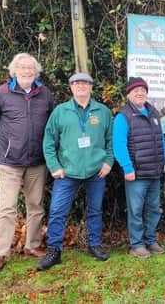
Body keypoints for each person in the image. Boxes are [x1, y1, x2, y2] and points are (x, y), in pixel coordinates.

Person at [0, 53, 54, 273]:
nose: (26, 71)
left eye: (30, 68)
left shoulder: (45, 94)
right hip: (10, 162)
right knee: (7, 207)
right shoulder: (1, 94)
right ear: (14, 70)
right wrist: (4, 145)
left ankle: (32, 245)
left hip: (36, 161)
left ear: (36, 72)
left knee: (36, 205)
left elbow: (52, 123)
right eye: (22, 67)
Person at [36, 72, 113, 271]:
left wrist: (108, 162)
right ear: (71, 88)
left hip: (96, 171)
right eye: (76, 83)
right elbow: (49, 141)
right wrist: (54, 166)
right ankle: (54, 251)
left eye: (85, 83)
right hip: (67, 172)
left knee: (95, 211)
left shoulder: (102, 111)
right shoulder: (60, 112)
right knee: (57, 212)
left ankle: (94, 245)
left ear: (90, 87)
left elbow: (111, 140)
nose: (81, 86)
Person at [113, 77, 165, 258]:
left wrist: (163, 161)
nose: (140, 93)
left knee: (153, 209)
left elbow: (161, 139)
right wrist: (127, 168)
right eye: (136, 90)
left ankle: (150, 240)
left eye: (143, 90)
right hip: (136, 174)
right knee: (136, 210)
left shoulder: (153, 113)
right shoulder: (123, 116)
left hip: (154, 171)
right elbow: (119, 145)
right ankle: (137, 245)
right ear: (129, 94)